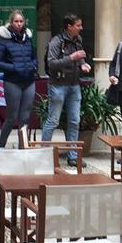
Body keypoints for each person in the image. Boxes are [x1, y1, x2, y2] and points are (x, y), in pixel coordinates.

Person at [42, 12, 91, 167]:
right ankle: (42, 154)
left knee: (75, 121)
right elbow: (51, 63)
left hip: (74, 85)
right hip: (58, 85)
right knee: (53, 120)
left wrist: (83, 63)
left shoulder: (78, 40)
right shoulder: (56, 42)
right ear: (69, 27)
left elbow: (80, 57)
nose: (81, 28)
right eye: (78, 25)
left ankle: (73, 156)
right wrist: (72, 58)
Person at [0, 10, 38, 149]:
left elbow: (35, 57)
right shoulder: (4, 41)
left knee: (25, 118)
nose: (19, 24)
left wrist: (33, 66)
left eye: (21, 21)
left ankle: (22, 147)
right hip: (12, 82)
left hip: (29, 81)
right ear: (11, 23)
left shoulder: (28, 39)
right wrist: (14, 67)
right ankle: (1, 146)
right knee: (12, 117)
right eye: (16, 21)